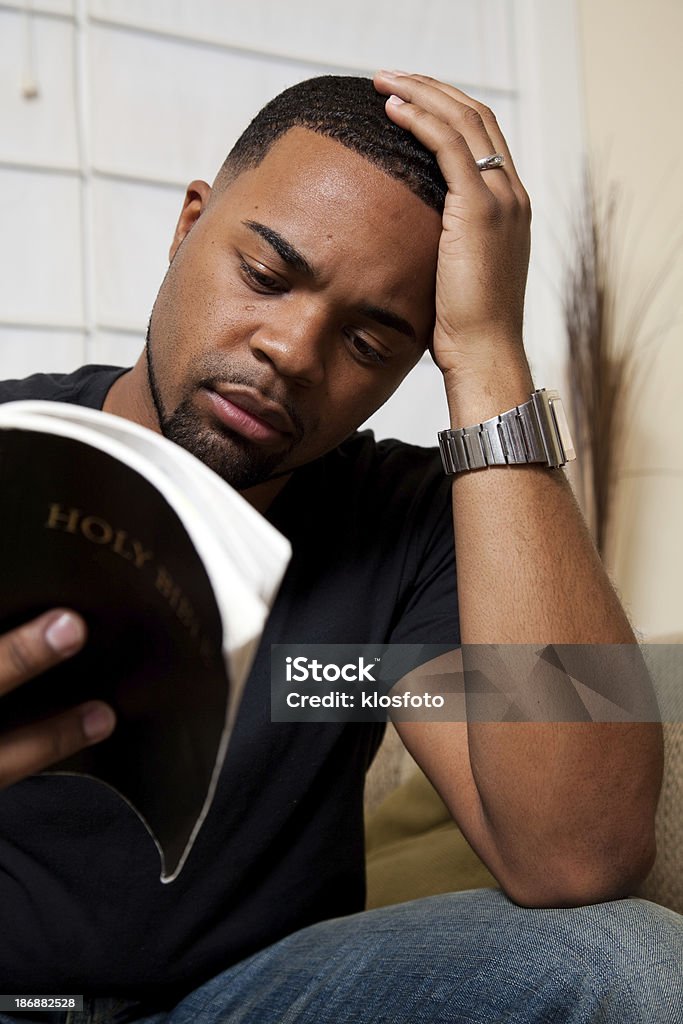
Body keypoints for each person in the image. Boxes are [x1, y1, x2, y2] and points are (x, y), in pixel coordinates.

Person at [0, 72, 681, 1024]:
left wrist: (487, 353)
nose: (292, 349)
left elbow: (581, 854)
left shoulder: (408, 526)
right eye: (267, 277)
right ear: (190, 223)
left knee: (626, 958)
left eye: (369, 341)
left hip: (250, 1004)